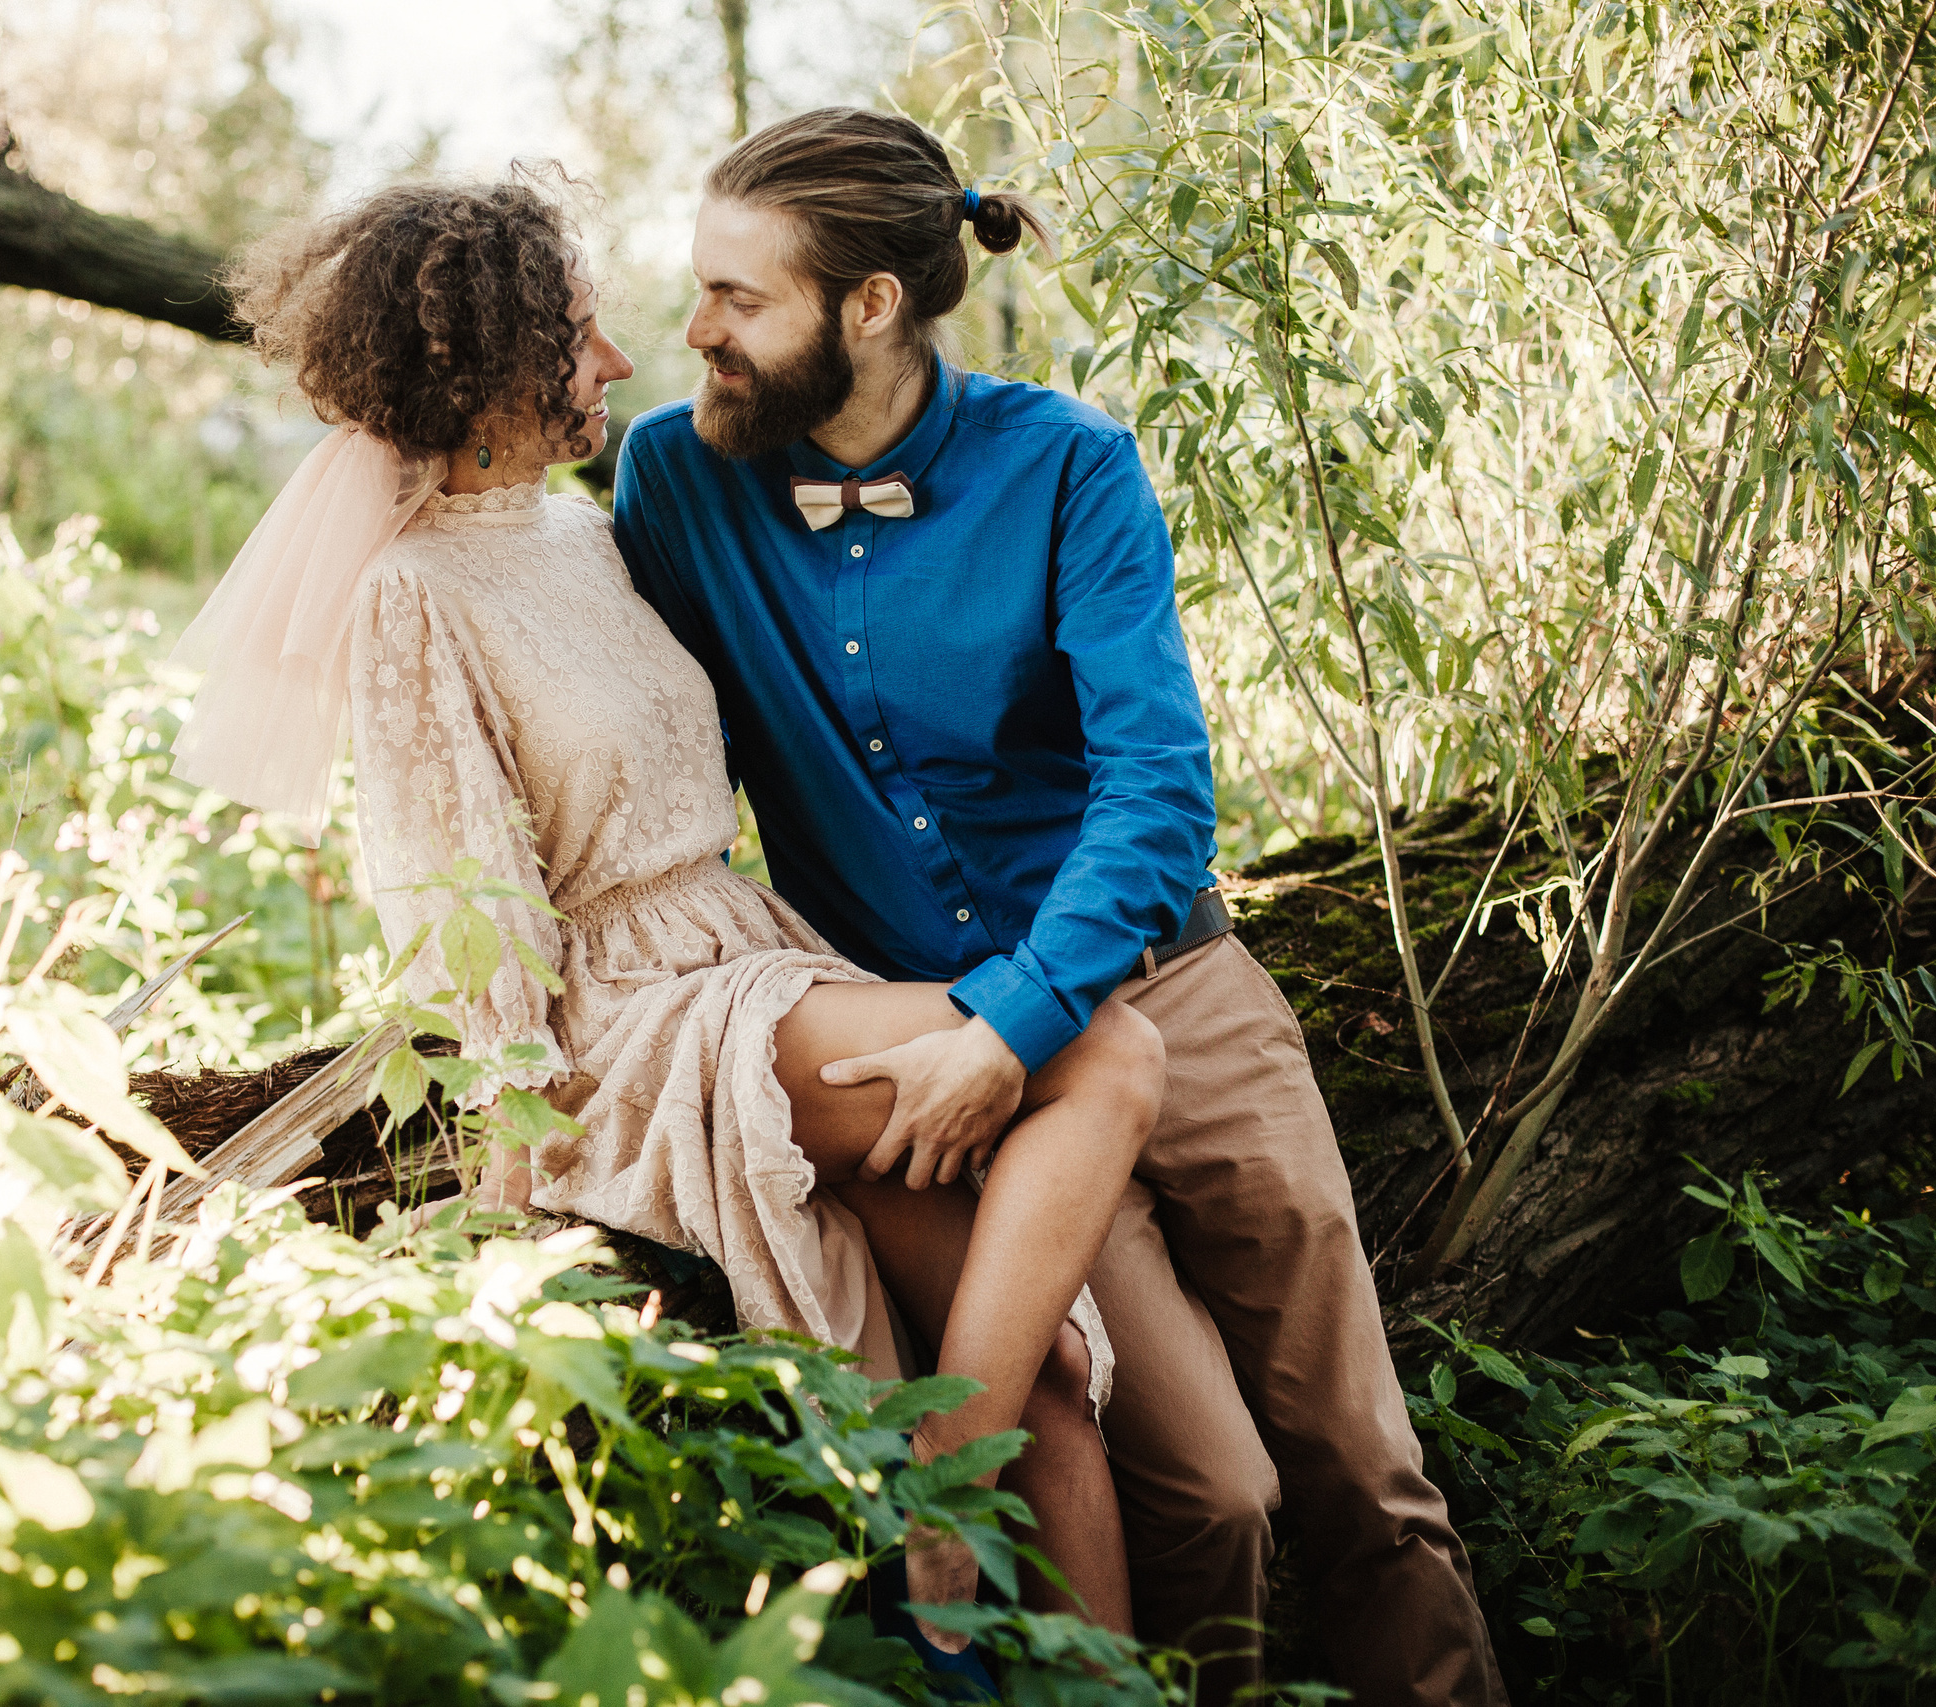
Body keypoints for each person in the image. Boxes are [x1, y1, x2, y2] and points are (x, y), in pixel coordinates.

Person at [165, 173, 1159, 1649]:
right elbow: (464, 905)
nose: (622, 359)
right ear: (488, 366)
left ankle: (1088, 1669)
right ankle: (941, 1489)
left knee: (1051, 1395)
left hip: (748, 960)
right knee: (1102, 1054)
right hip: (634, 1021)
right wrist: (506, 1186)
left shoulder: (579, 533)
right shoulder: (412, 597)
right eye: (577, 336)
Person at [608, 108, 1508, 1706]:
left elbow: (1158, 794)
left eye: (740, 298)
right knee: (1208, 1491)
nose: (699, 330)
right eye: (701, 289)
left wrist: (1021, 1021)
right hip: (944, 1052)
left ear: (869, 306)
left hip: (1167, 1001)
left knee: (1361, 1459)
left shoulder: (1068, 464)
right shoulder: (678, 482)